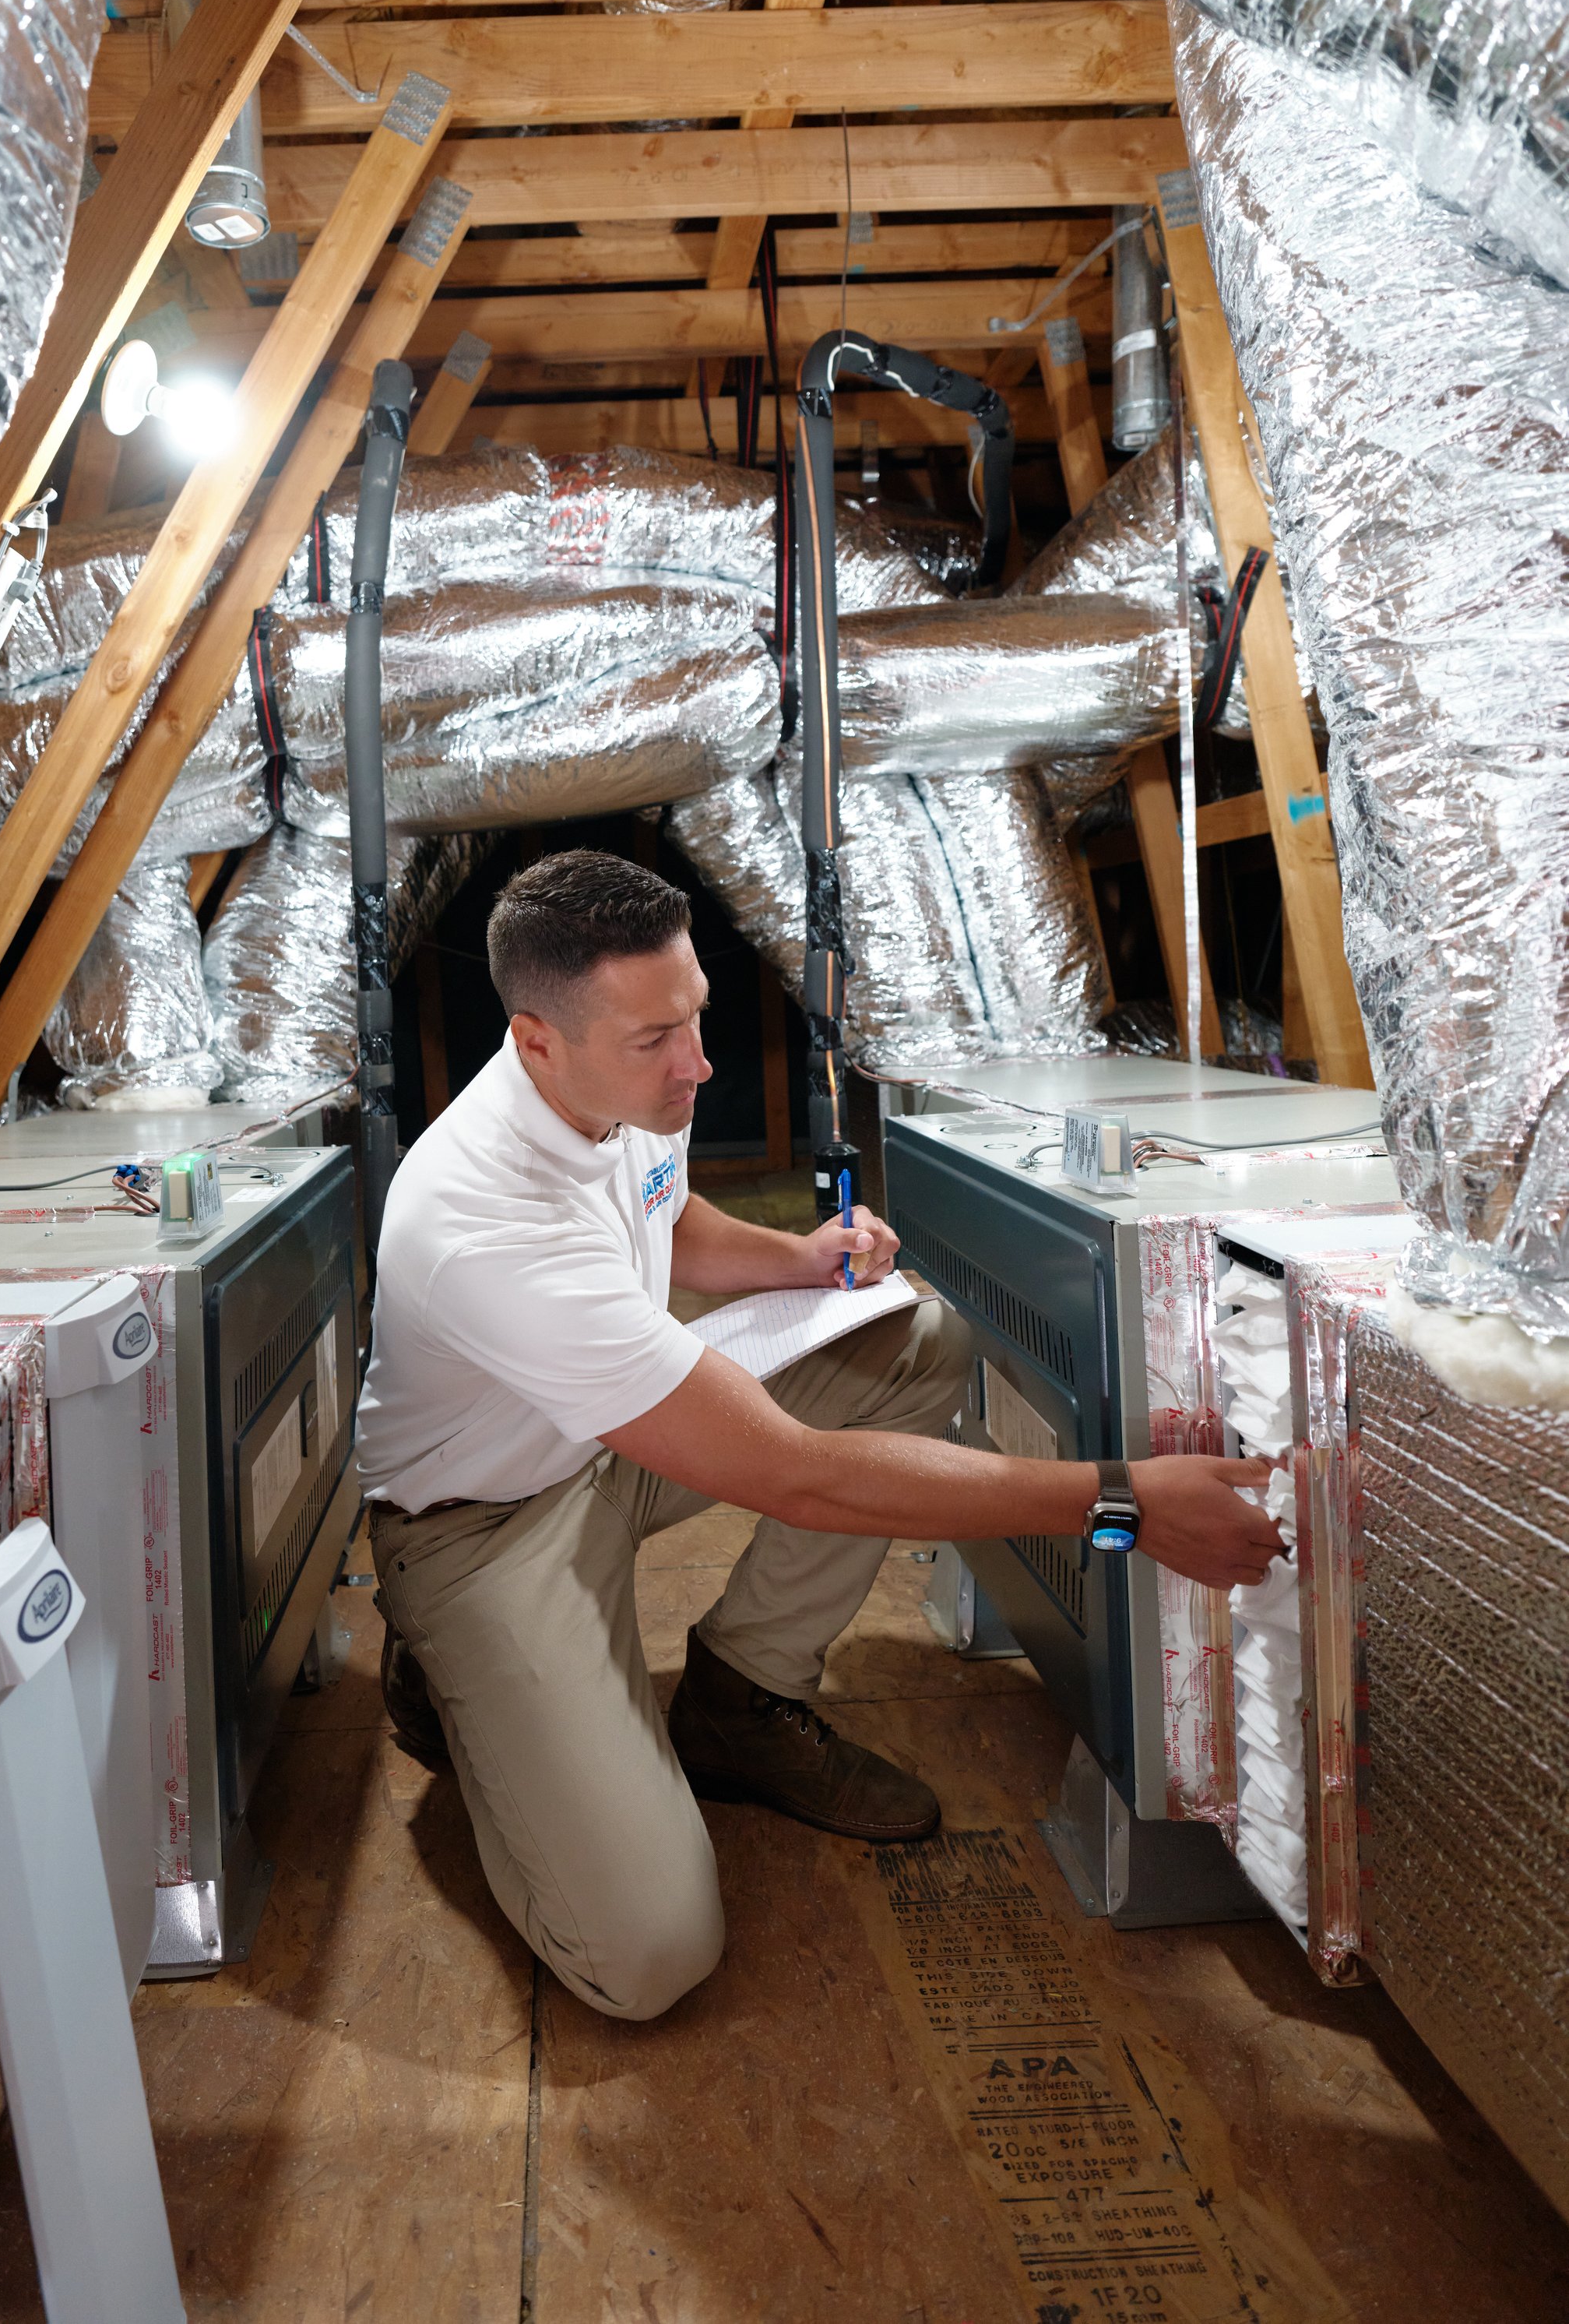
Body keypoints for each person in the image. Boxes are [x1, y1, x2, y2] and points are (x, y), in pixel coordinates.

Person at [355, 851, 1280, 2022]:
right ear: (536, 1041)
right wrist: (1124, 1502)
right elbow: (802, 1479)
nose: (697, 1063)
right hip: (480, 1528)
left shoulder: (615, 1088)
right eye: (657, 1040)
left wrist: (797, 1260)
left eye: (696, 1015)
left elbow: (663, 1215)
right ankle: (449, 1668)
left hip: (606, 1440)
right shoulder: (480, 1222)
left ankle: (741, 1697)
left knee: (911, 1342)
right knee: (648, 1952)